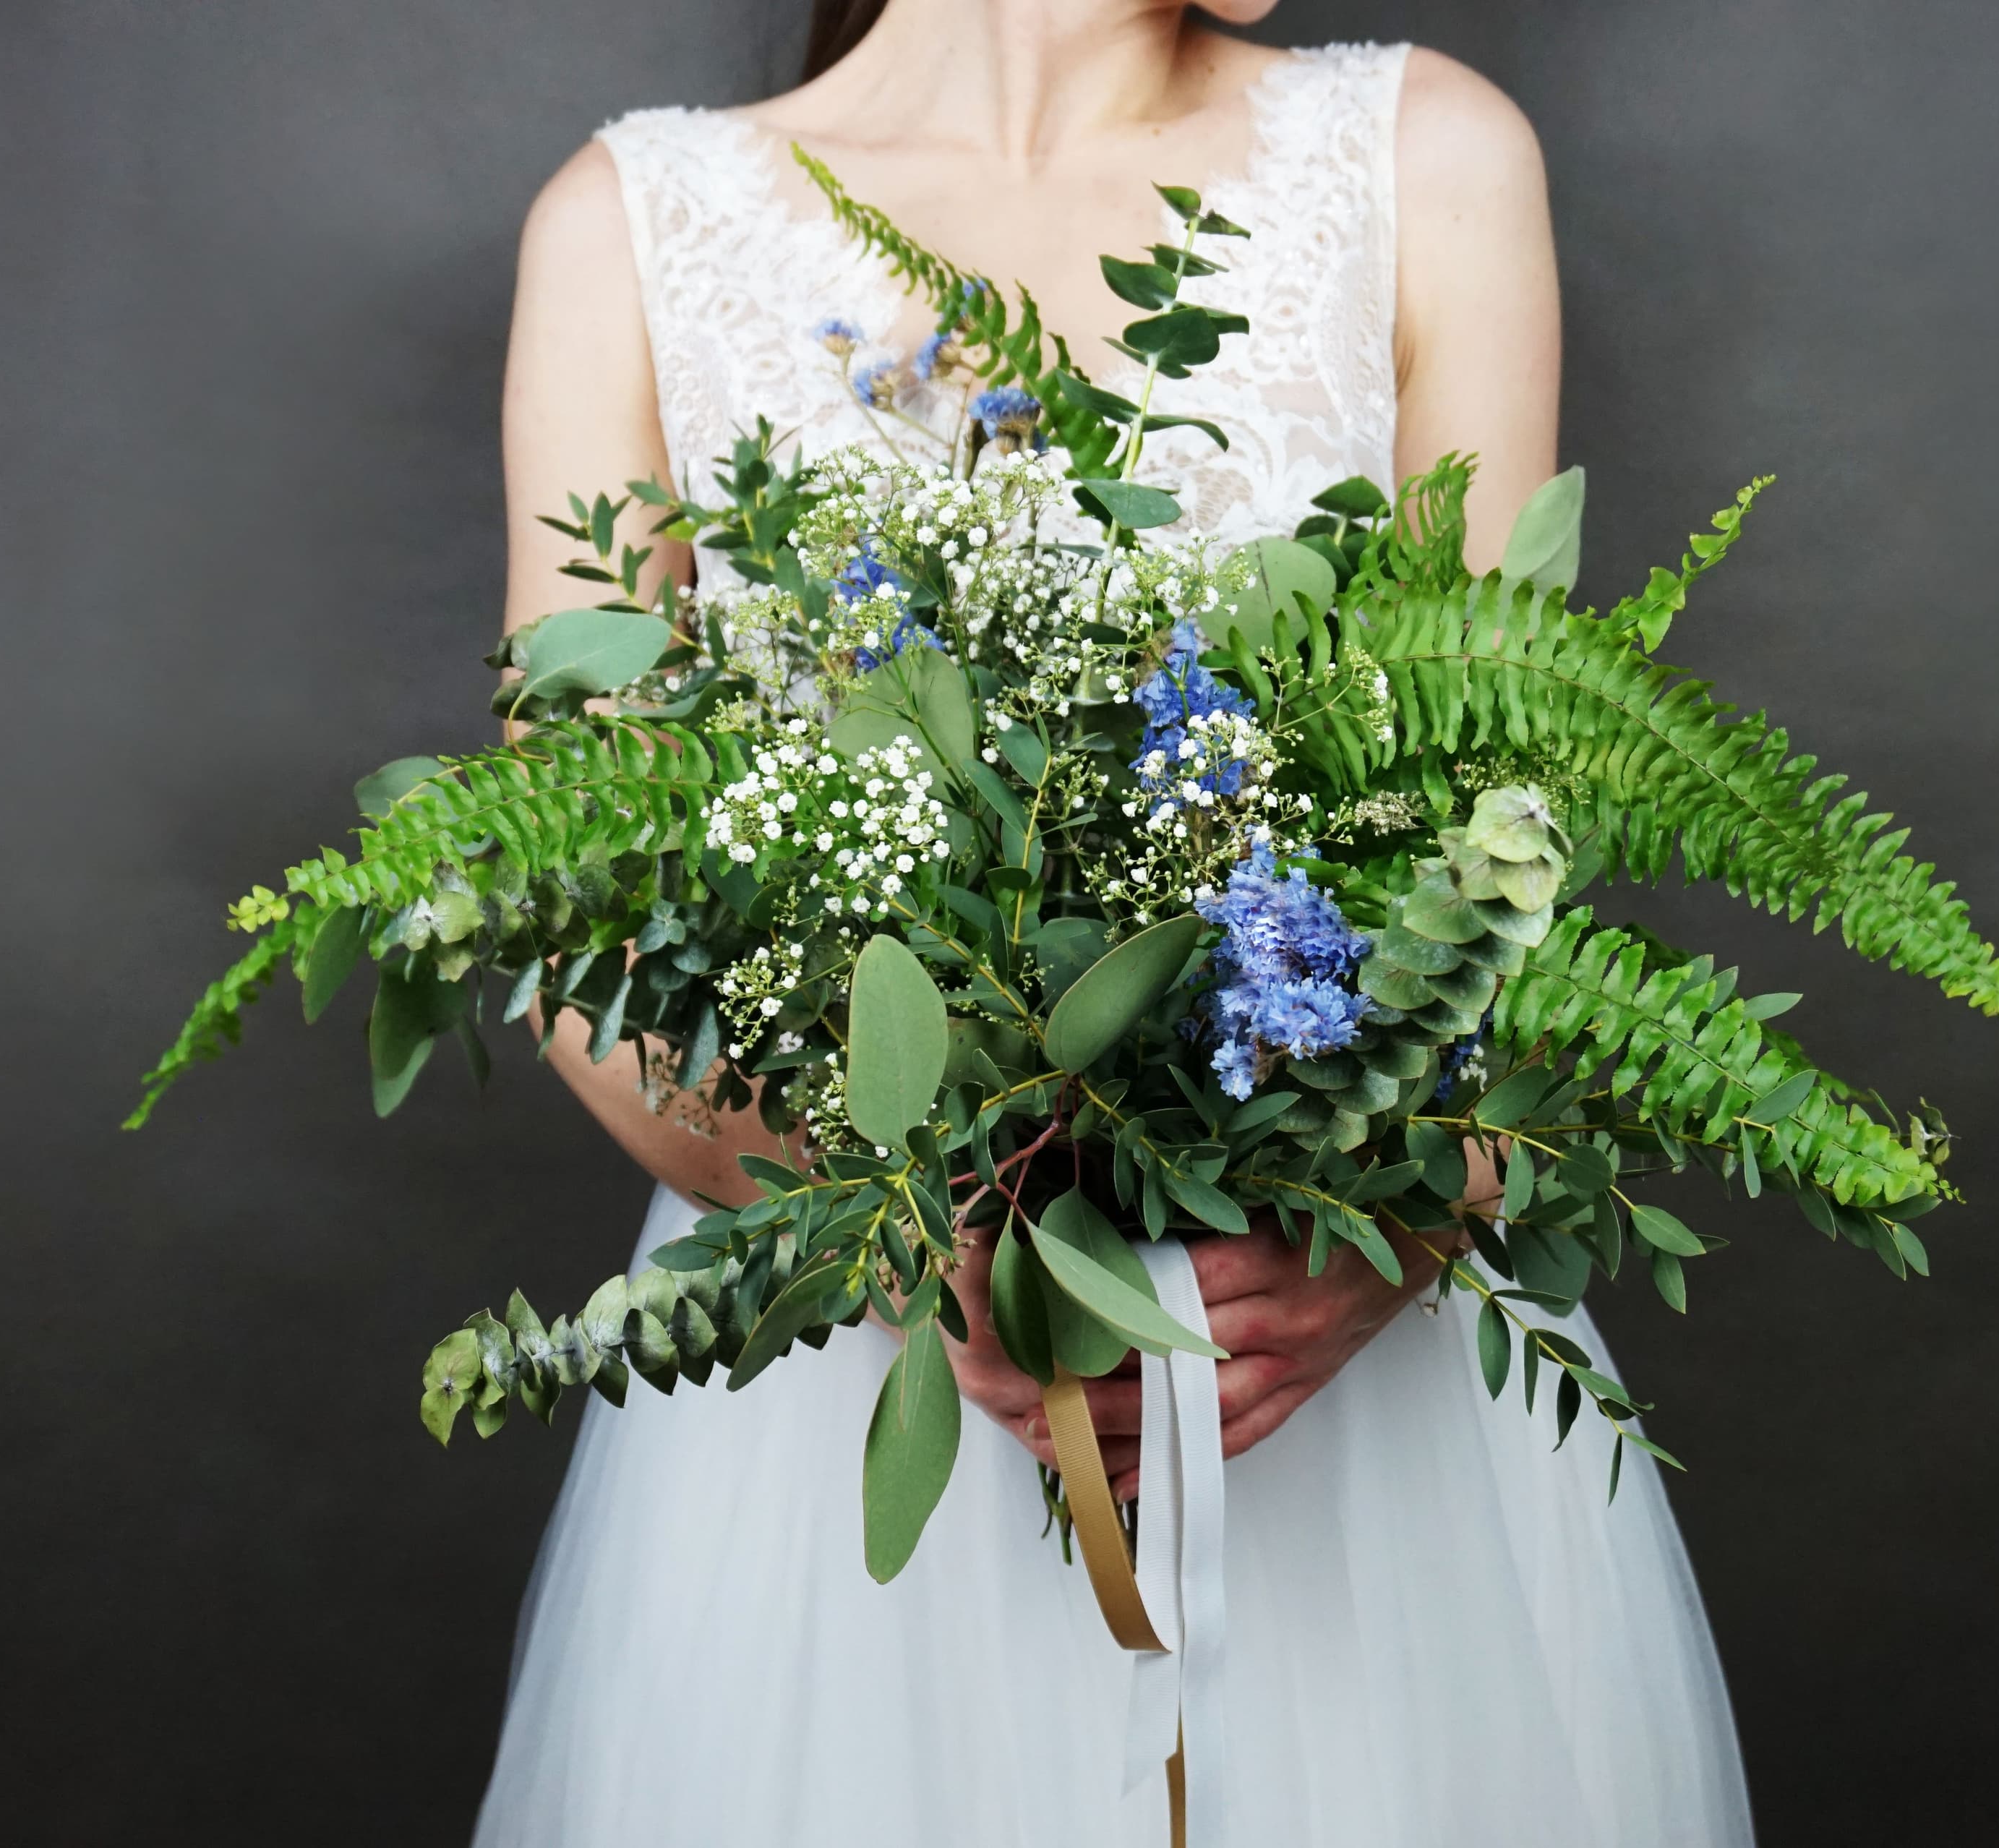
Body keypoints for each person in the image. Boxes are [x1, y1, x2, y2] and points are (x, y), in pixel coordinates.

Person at [479, 4, 1753, 1841]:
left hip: (1330, 1400)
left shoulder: (1427, 156)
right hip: (855, 1421)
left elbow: (1514, 849)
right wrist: (933, 1242)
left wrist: (1386, 1235)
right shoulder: (632, 224)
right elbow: (582, 934)